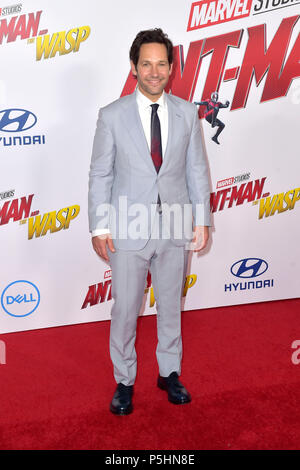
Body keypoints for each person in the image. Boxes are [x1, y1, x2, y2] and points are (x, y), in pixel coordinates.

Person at [88, 28, 211, 415]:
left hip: (175, 225)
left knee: (171, 304)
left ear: (171, 68)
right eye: (146, 64)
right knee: (126, 308)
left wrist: (202, 219)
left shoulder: (188, 113)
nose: (154, 71)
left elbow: (197, 170)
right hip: (127, 228)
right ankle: (124, 380)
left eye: (161, 64)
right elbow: (100, 174)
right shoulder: (111, 116)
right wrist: (99, 226)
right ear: (133, 67)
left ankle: (169, 373)